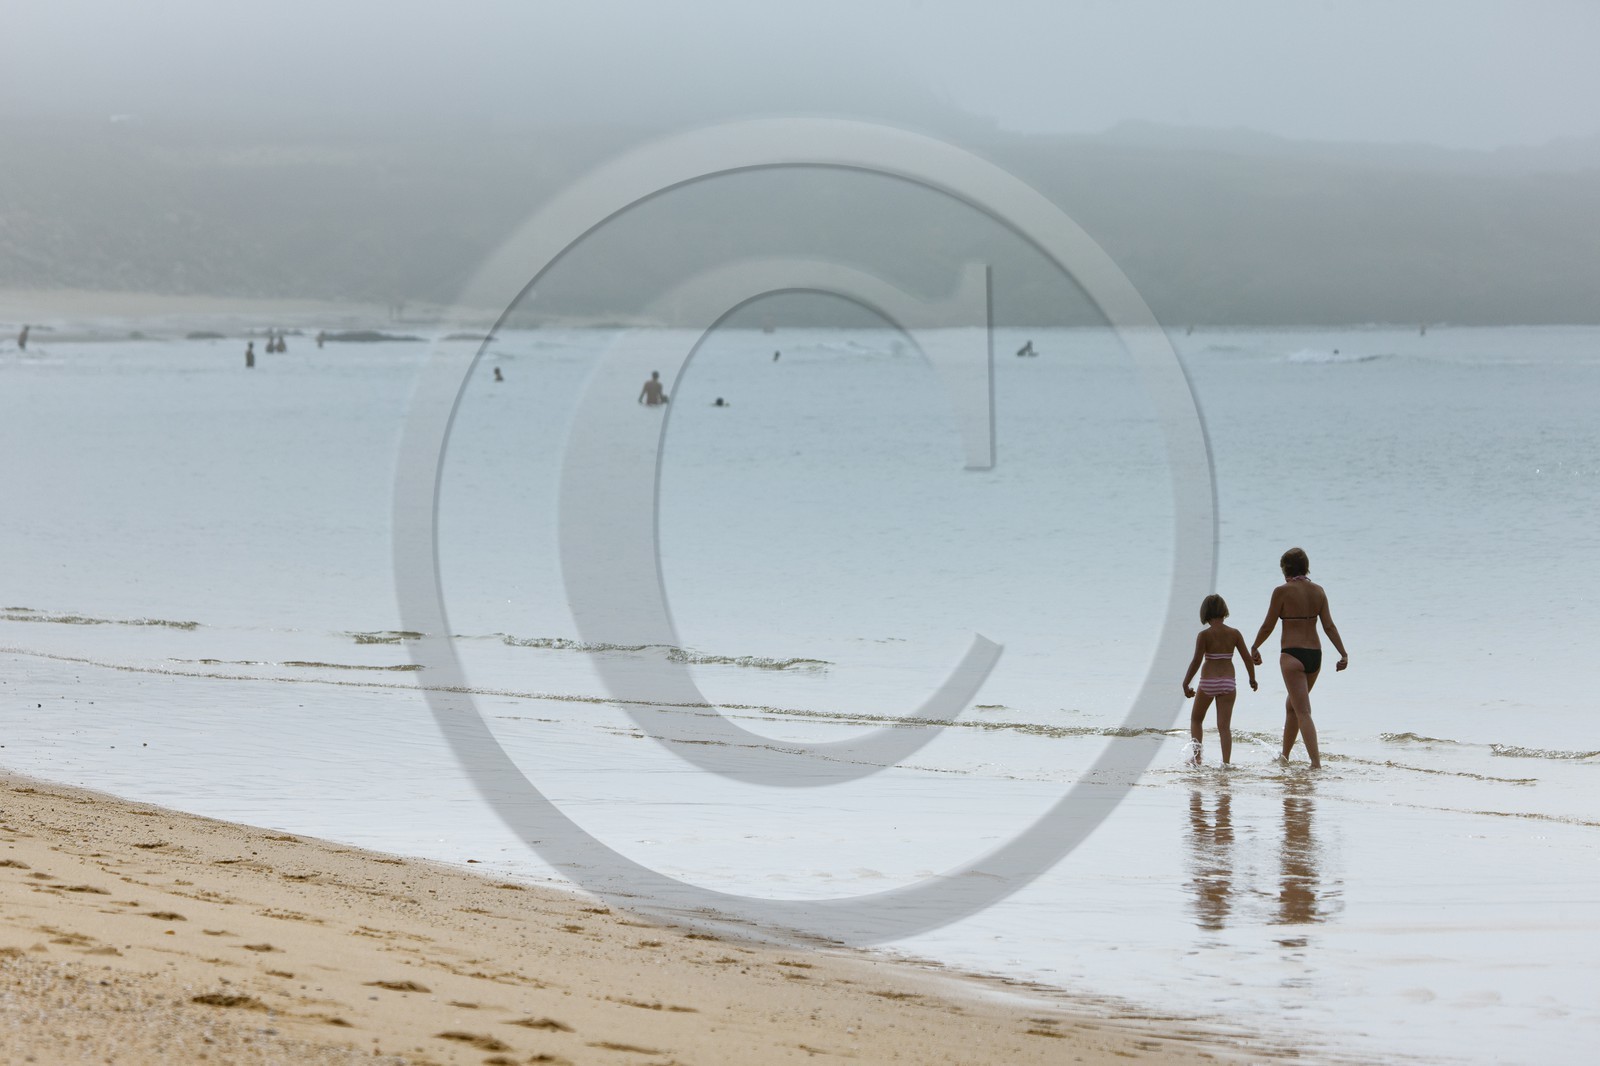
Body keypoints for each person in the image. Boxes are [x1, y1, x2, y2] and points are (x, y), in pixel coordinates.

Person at [1250, 547, 1349, 769]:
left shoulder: (1281, 592)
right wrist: (1343, 652)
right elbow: (1329, 626)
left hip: (1292, 655)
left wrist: (1255, 646)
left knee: (1303, 710)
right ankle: (1284, 757)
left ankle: (1316, 763)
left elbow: (1268, 625)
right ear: (1306, 567)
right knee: (1292, 706)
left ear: (1285, 569)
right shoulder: (1319, 591)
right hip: (1315, 656)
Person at [1181, 594, 1257, 766]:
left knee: (1196, 719)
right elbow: (1246, 658)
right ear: (1224, 612)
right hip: (1228, 683)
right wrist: (1252, 678)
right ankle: (1226, 763)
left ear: (1205, 613)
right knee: (1224, 727)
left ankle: (1197, 757)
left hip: (1208, 682)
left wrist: (1186, 683)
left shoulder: (1204, 635)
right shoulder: (1234, 633)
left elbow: (1196, 661)